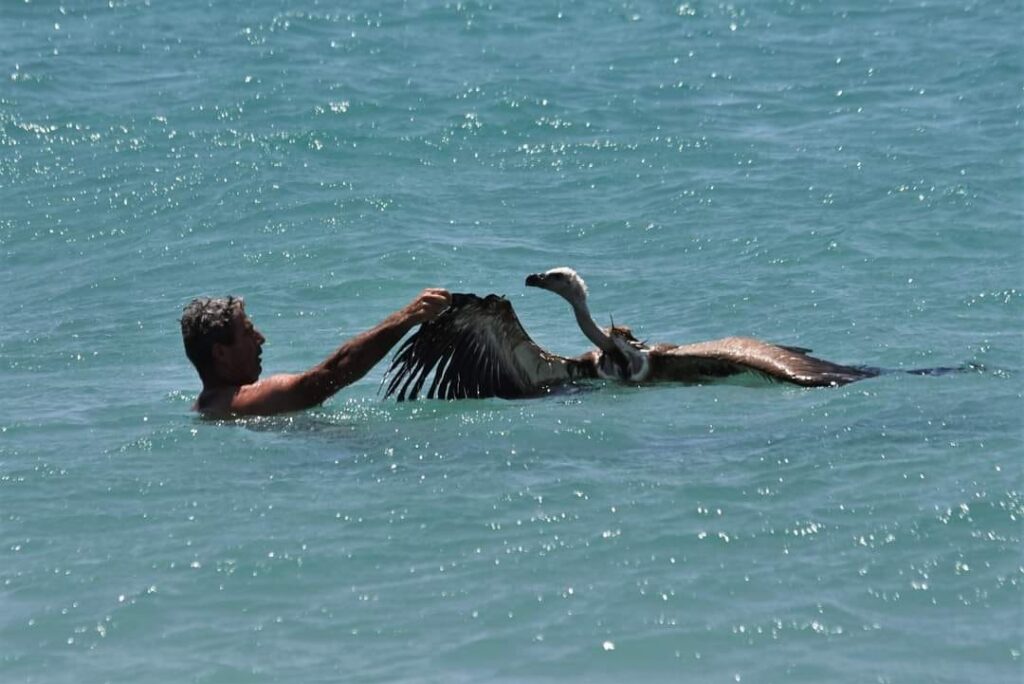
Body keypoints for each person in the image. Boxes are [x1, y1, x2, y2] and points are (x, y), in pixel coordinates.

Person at [180, 288, 451, 417]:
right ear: (221, 353)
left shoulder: (206, 407)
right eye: (248, 333)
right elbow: (327, 376)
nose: (260, 339)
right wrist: (404, 319)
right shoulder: (241, 401)